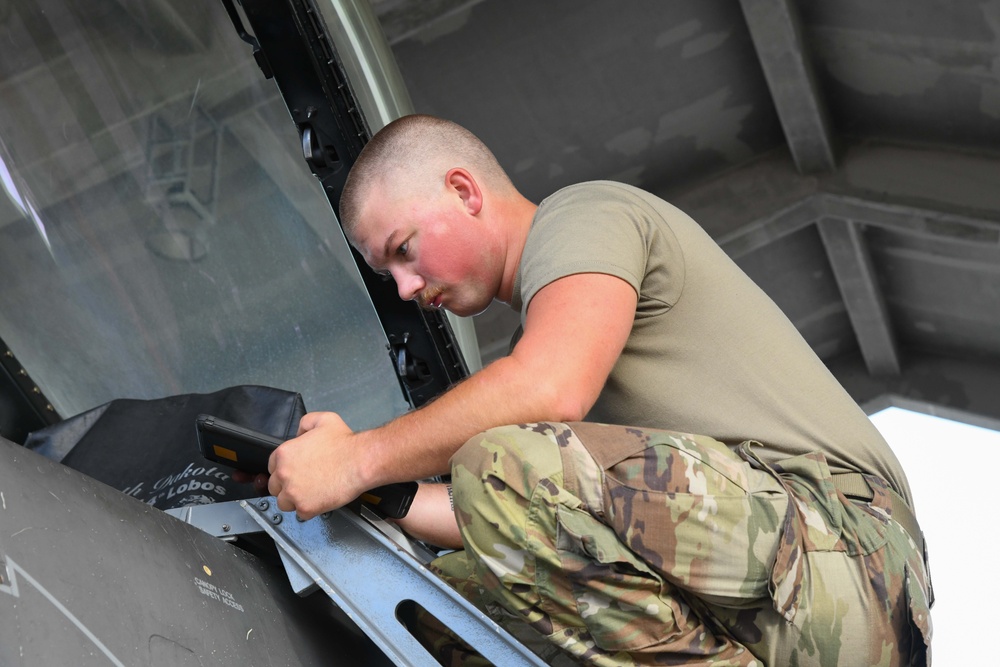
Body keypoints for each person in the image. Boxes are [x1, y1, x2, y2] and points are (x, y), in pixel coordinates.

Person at [262, 114, 932, 666]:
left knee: (498, 463)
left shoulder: (585, 217)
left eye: (404, 249)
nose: (408, 288)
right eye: (389, 274)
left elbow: (547, 394)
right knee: (430, 602)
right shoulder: (563, 326)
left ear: (465, 191)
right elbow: (510, 509)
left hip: (848, 561)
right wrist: (389, 496)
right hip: (780, 586)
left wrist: (358, 458)